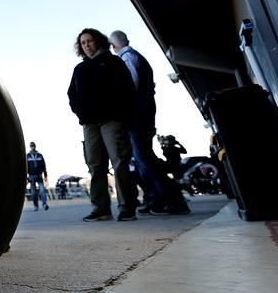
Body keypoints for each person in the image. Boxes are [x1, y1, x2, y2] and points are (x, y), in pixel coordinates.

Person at [109, 31, 189, 215]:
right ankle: (158, 199)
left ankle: (171, 199)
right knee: (144, 159)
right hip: (144, 114)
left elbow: (131, 87)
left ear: (114, 46)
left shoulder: (127, 58)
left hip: (138, 116)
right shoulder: (135, 56)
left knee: (144, 159)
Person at [67, 28, 138, 222]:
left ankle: (127, 207)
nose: (86, 45)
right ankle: (101, 208)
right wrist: (79, 112)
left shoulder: (114, 63)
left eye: (89, 41)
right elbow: (71, 94)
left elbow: (128, 89)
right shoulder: (79, 69)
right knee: (95, 165)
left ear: (98, 41)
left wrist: (121, 113)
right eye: (83, 43)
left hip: (112, 120)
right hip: (89, 124)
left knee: (119, 161)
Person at [26, 141, 49, 211]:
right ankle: (35, 206)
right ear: (30, 147)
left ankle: (44, 204)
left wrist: (45, 176)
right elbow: (26, 167)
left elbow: (44, 166)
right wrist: (26, 178)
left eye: (33, 146)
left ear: (35, 146)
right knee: (33, 193)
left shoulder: (40, 155)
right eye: (31, 146)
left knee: (42, 190)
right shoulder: (27, 156)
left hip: (39, 176)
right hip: (31, 176)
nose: (32, 147)